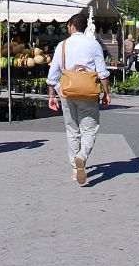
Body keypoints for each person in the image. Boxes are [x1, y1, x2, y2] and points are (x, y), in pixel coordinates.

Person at [47, 14, 111, 186]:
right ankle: (81, 157)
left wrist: (52, 95)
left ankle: (75, 170)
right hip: (88, 93)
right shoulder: (93, 44)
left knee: (72, 130)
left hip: (67, 93)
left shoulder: (63, 45)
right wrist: (106, 93)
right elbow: (103, 72)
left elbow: (52, 75)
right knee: (89, 129)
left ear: (73, 26)